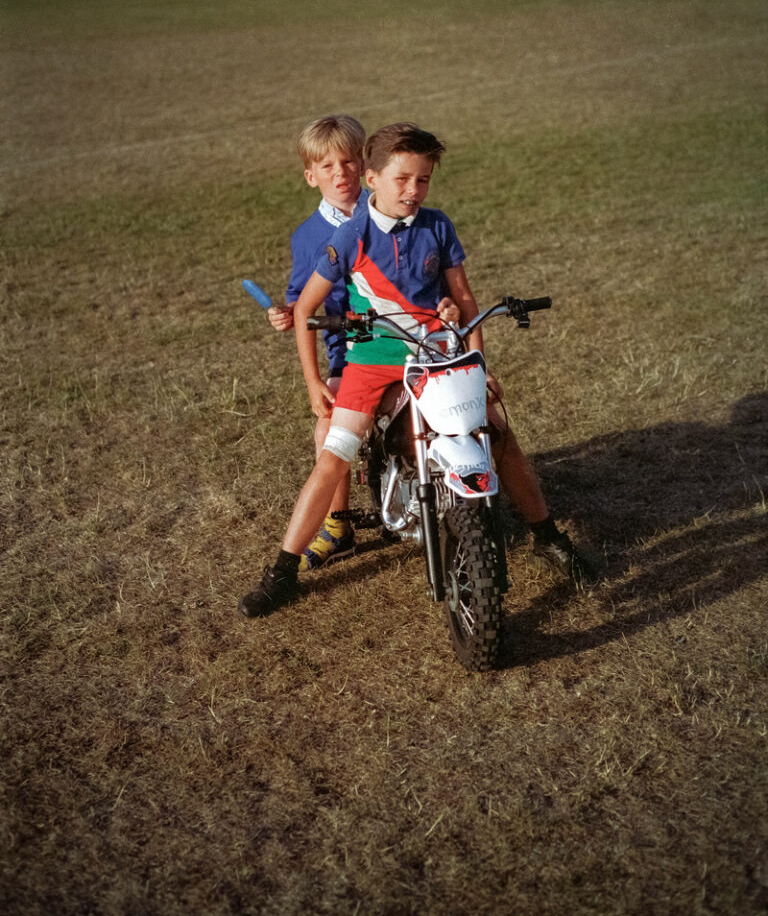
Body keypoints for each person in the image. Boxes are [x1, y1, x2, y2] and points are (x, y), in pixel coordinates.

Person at [241, 122, 593, 618]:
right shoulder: (350, 234)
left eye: (423, 180)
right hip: (368, 361)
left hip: (436, 353)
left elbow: (465, 298)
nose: (413, 191)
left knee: (498, 434)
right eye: (402, 179)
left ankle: (547, 536)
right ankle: (281, 572)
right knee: (334, 455)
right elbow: (305, 310)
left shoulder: (438, 225)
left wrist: (477, 360)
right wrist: (313, 381)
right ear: (373, 180)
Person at [268, 114, 459, 572]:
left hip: (408, 339)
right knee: (328, 430)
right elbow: (303, 299)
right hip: (346, 346)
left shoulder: (392, 210)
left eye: (350, 162)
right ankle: (338, 526)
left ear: (366, 168)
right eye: (329, 166)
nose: (342, 174)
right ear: (311, 176)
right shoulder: (312, 236)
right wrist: (287, 312)